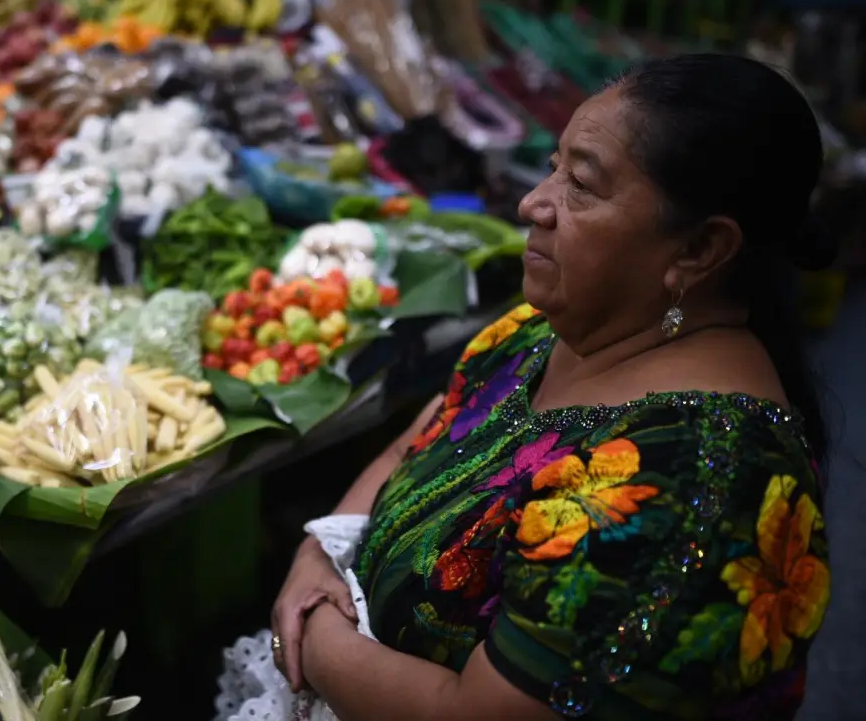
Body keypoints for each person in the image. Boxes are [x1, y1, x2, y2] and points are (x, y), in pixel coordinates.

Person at [215, 53, 834, 720]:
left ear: (699, 250)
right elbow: (421, 438)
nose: (532, 203)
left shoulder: (687, 483)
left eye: (582, 184)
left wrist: (312, 634)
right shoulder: (540, 332)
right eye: (553, 166)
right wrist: (318, 555)